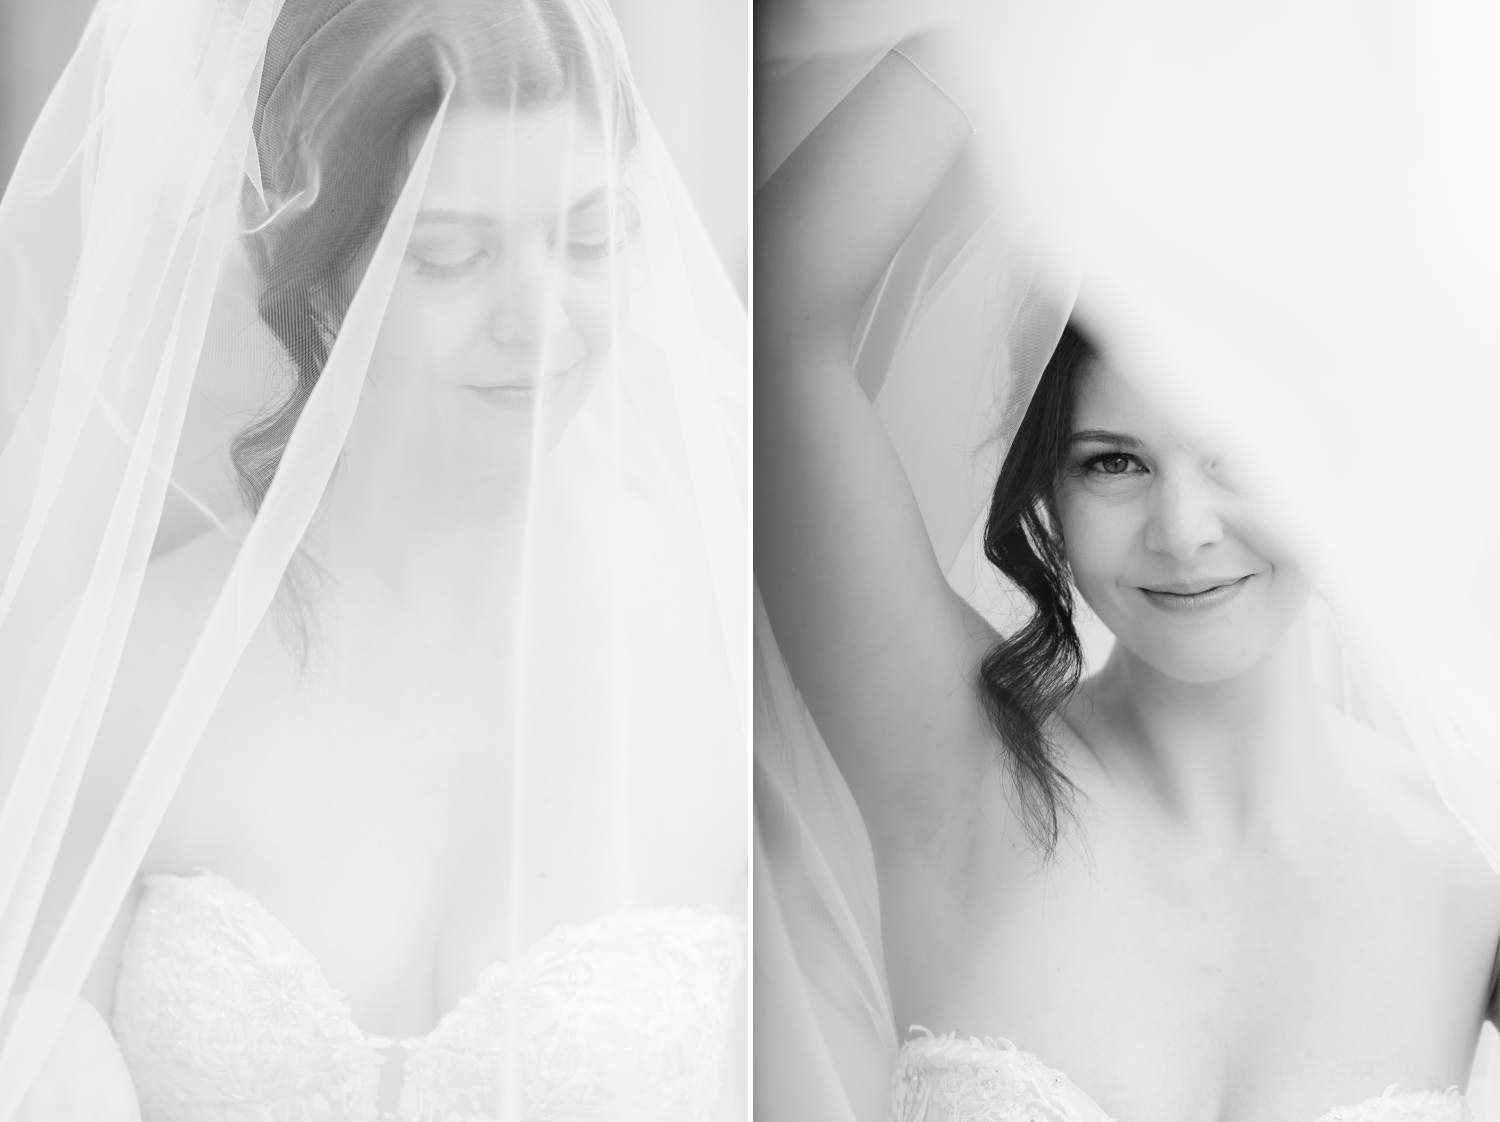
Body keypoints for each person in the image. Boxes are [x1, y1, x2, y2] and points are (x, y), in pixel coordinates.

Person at [0, 0, 747, 1117]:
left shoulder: (725, 653)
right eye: (450, 255)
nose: (538, 317)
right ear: (314, 269)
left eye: (587, 239)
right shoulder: (124, 672)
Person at [755, 43, 1500, 1121]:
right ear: (1044, 490)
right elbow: (780, 325)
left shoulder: (1470, 858)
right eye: (1114, 461)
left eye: (1240, 450)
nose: (1184, 530)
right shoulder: (953, 767)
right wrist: (995, 40)